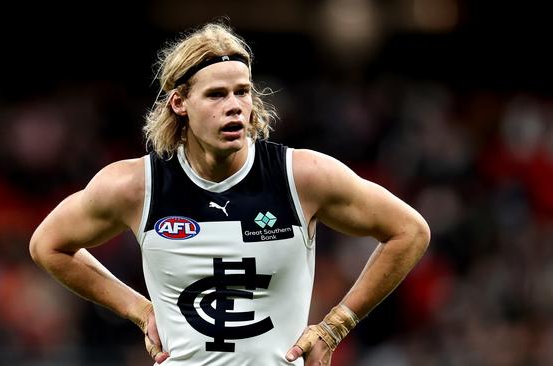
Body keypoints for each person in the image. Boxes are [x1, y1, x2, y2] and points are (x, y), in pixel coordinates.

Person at [29, 21, 430, 365]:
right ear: (179, 103)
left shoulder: (301, 176)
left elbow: (409, 231)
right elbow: (48, 245)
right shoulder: (136, 185)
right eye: (217, 95)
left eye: (243, 92)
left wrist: (336, 325)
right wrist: (137, 310)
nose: (235, 106)